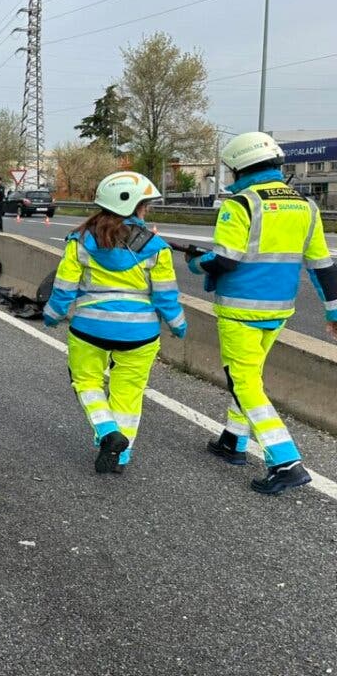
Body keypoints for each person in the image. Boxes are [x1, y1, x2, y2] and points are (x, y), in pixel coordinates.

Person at [185, 131, 337, 495]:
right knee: (249, 375)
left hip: (241, 310)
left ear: (239, 167)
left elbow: (225, 258)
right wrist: (333, 312)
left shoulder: (240, 204)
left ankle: (286, 461)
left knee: (245, 383)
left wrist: (194, 263)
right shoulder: (305, 206)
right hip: (279, 310)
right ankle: (233, 441)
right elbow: (323, 266)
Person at [44, 171, 187, 475]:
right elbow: (166, 297)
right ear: (137, 206)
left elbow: (64, 288)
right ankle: (119, 459)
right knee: (129, 392)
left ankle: (107, 431)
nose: (146, 210)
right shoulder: (157, 247)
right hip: (141, 333)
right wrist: (177, 325)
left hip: (90, 329)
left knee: (86, 382)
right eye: (145, 205)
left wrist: (53, 315)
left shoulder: (80, 240)